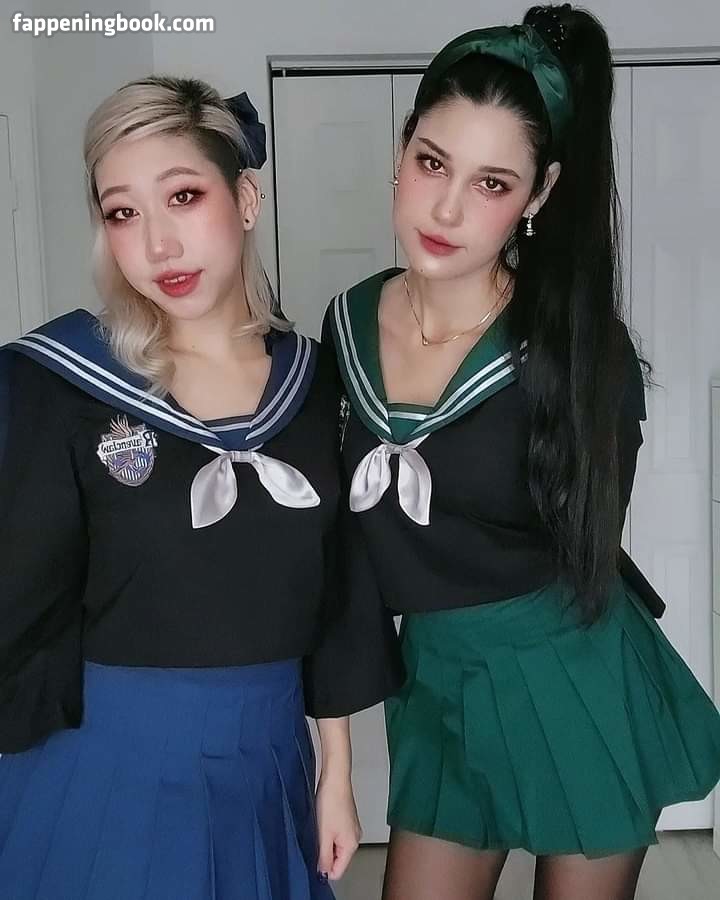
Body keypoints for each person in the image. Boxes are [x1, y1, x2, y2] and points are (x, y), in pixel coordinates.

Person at [322, 5, 720, 899]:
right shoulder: (348, 322)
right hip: (440, 684)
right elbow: (342, 549)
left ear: (538, 196)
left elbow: (587, 552)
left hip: (566, 678)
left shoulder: (576, 352)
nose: (447, 207)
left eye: (493, 183)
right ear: (401, 153)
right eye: (432, 162)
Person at [0, 75, 402, 900]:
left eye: (183, 197)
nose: (158, 245)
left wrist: (335, 774)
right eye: (122, 213)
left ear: (245, 199)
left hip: (269, 757)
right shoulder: (59, 381)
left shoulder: (316, 384)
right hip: (107, 761)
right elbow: (19, 592)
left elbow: (336, 593)